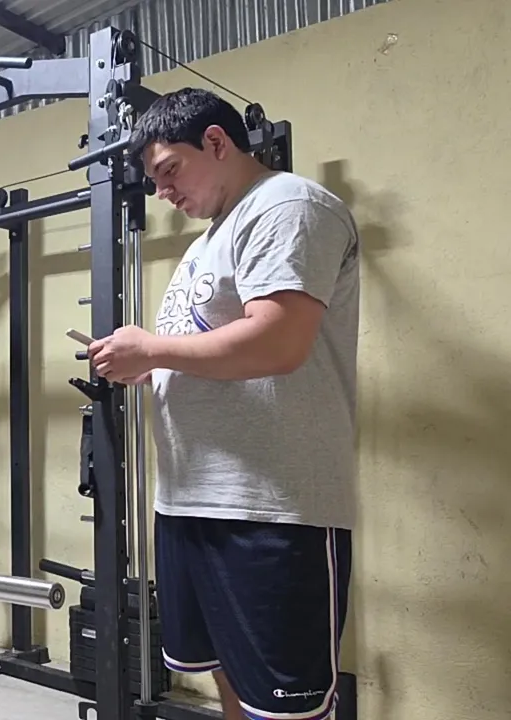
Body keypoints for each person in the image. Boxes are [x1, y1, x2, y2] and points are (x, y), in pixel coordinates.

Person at [86, 87, 359, 720]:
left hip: (269, 507)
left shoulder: (285, 205)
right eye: (155, 181)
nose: (163, 193)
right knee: (226, 676)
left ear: (215, 142)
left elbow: (279, 340)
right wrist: (151, 367)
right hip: (190, 503)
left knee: (283, 706)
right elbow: (210, 352)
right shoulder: (207, 242)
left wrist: (153, 349)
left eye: (169, 171)